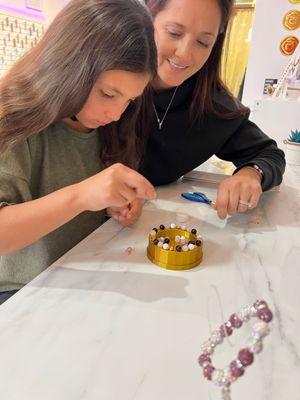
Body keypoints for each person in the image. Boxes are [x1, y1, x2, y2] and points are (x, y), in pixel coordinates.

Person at [0, 0, 157, 303]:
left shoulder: (108, 124)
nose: (116, 113)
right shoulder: (12, 118)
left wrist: (114, 204)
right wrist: (83, 195)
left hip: (82, 276)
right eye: (108, 94)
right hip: (18, 296)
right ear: (68, 66)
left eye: (129, 100)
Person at [128, 0, 285, 222]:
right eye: (174, 33)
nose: (184, 54)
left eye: (203, 42)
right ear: (146, 19)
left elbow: (269, 154)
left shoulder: (213, 106)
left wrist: (251, 174)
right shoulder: (104, 82)